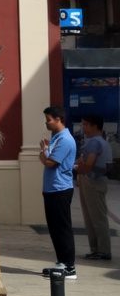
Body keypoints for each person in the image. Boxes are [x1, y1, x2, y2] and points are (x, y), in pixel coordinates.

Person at [39, 105, 77, 278]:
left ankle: (69, 267)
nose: (47, 123)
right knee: (55, 228)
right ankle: (62, 261)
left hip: (60, 189)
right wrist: (45, 153)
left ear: (58, 119)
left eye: (49, 120)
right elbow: (46, 160)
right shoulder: (56, 137)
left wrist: (44, 151)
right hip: (52, 188)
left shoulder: (65, 140)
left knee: (62, 228)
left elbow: (50, 162)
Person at [76, 114, 113, 261]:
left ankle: (102, 250)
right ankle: (97, 249)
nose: (83, 127)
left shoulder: (94, 143)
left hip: (93, 181)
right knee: (93, 217)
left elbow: (88, 165)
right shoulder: (101, 142)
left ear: (94, 126)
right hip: (95, 181)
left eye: (85, 125)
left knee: (96, 218)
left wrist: (79, 166)